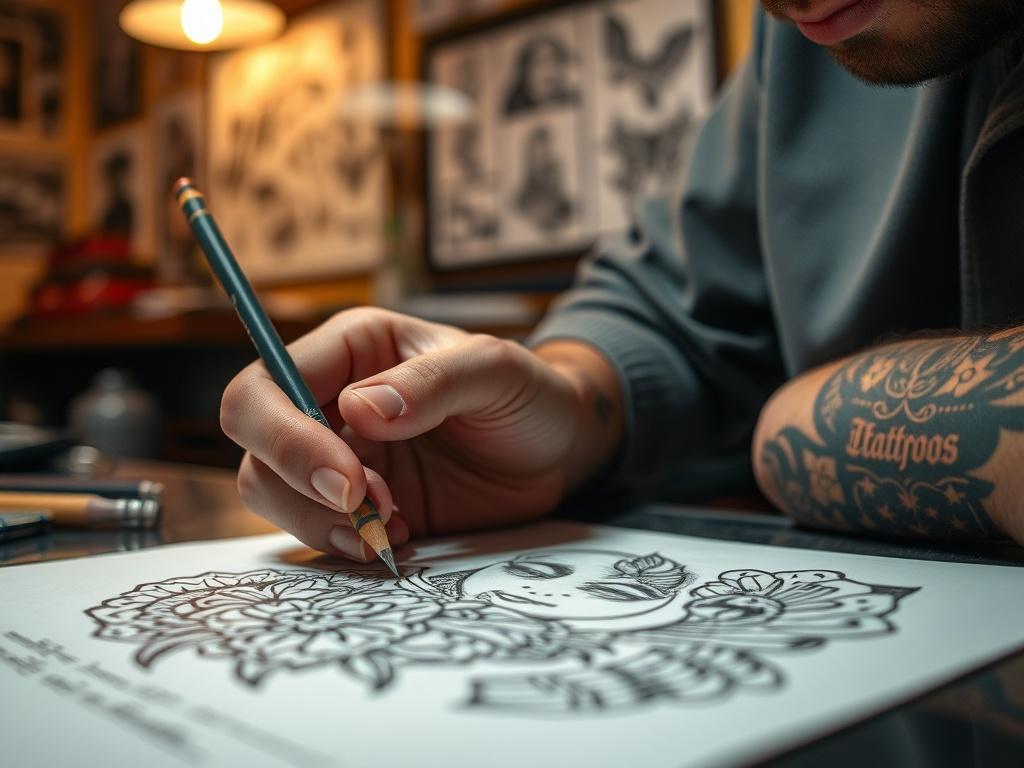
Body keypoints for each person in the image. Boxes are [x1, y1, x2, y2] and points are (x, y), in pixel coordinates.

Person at [220, 0, 1024, 563]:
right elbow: (674, 309)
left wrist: (808, 421)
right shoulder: (813, 43)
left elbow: (788, 427)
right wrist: (566, 407)